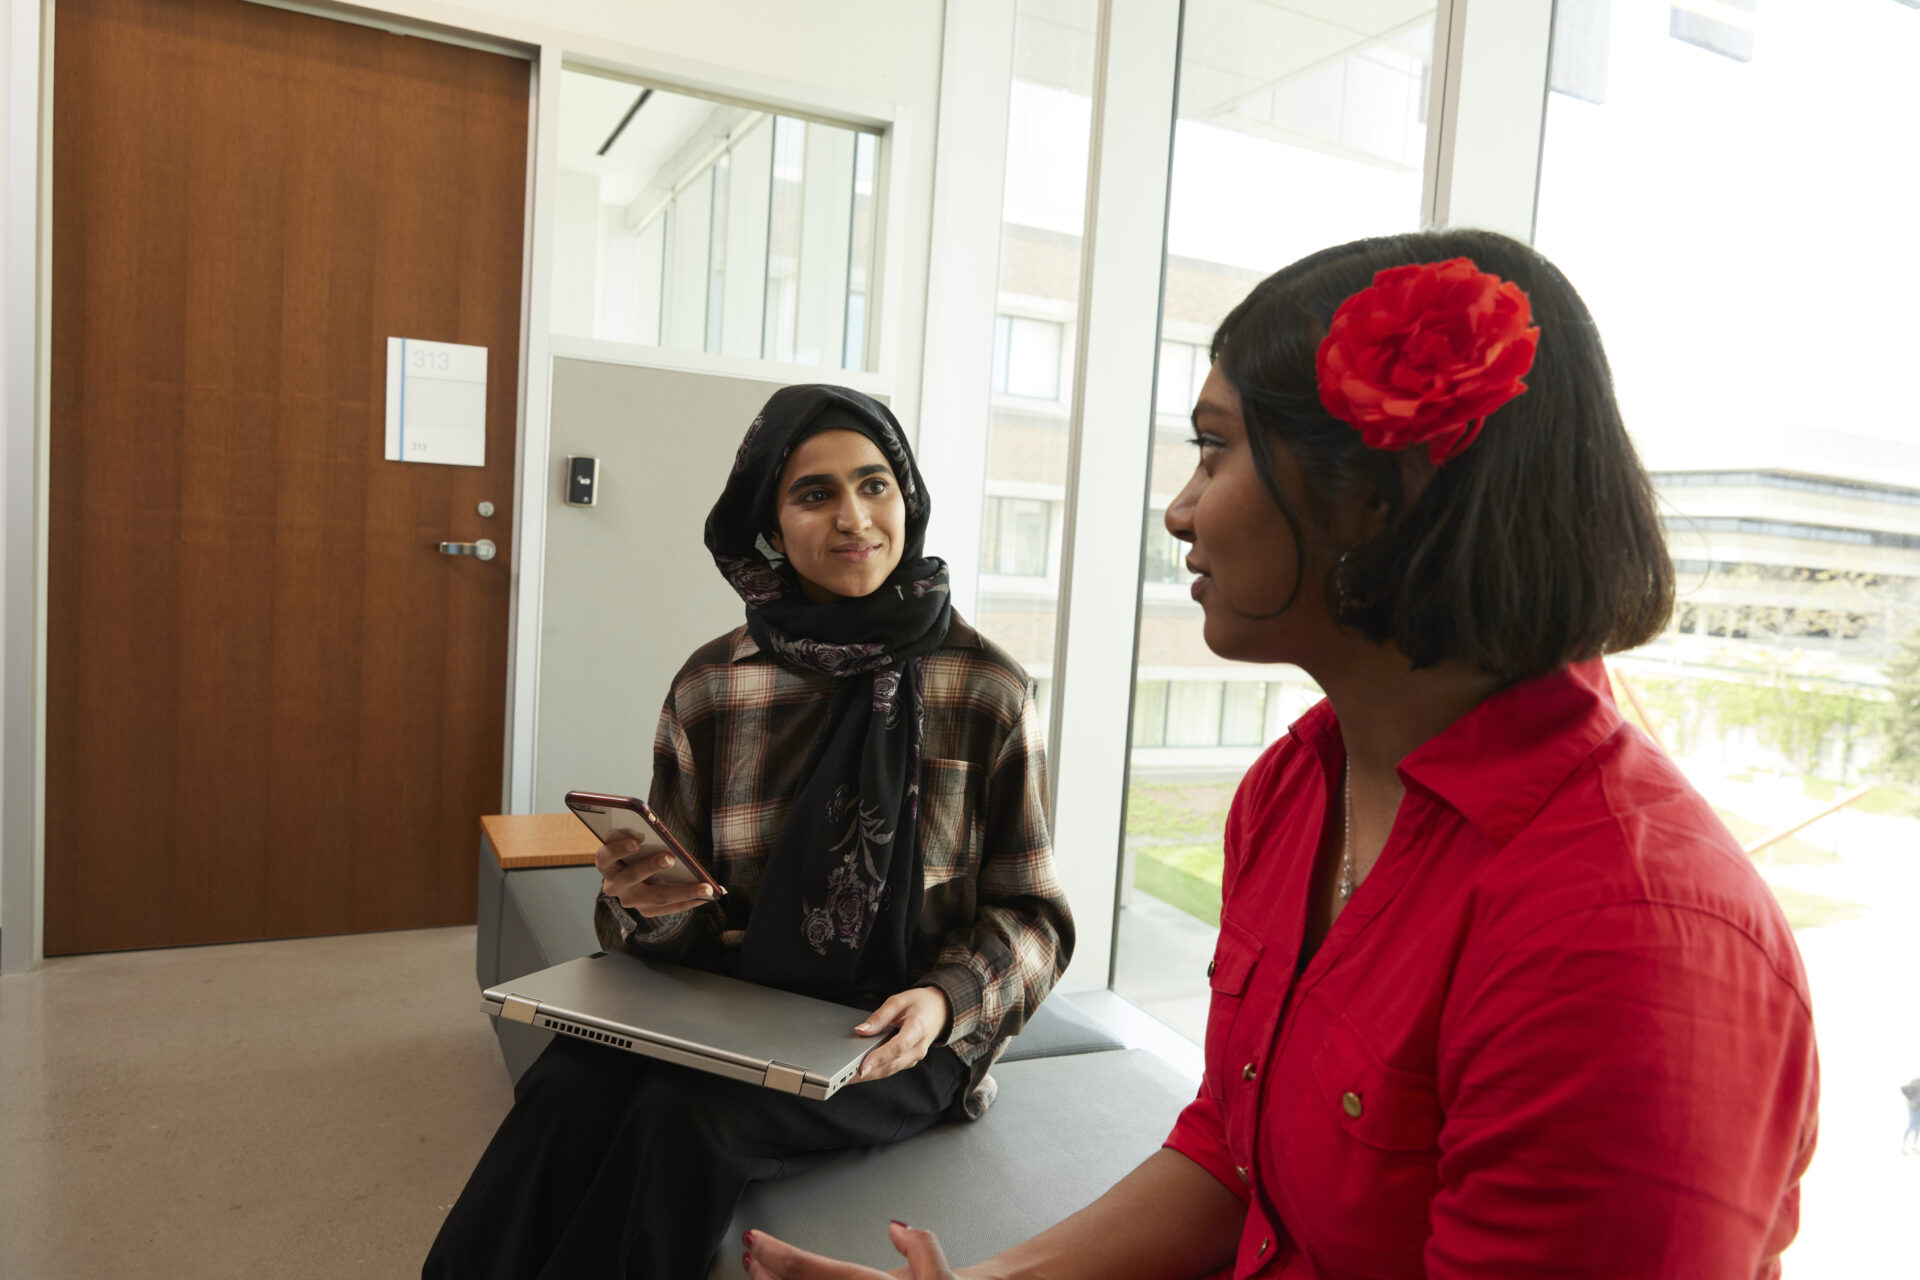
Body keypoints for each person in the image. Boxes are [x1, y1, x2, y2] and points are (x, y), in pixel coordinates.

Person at [741, 230, 1820, 1279]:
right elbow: (1233, 1148)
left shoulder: (1626, 942)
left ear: (1373, 496)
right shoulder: (1298, 789)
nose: (1178, 509)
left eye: (1216, 449)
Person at [425, 384, 1073, 1279]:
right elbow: (670, 921)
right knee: (569, 1082)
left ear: (908, 498)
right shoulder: (714, 686)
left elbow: (1033, 915)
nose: (855, 518)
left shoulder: (985, 688)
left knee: (682, 1116)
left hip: (895, 1027)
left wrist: (945, 1001)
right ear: (769, 523)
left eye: (875, 484)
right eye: (815, 495)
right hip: (736, 996)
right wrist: (647, 904)